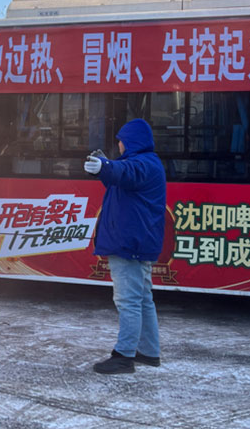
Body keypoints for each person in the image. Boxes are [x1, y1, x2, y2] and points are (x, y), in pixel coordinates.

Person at [84, 118, 166, 375]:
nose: (118, 145)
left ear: (130, 141)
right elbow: (120, 178)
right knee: (143, 299)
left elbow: (125, 172)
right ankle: (149, 351)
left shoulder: (143, 164)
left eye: (121, 140)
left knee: (128, 301)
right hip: (136, 242)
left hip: (129, 243)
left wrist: (106, 166)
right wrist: (104, 168)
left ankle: (124, 356)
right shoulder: (148, 163)